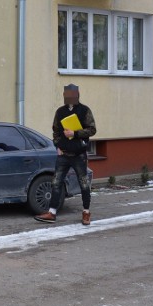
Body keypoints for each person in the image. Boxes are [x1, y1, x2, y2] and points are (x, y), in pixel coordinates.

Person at [34, 83, 96, 225]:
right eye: (66, 95)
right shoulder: (60, 111)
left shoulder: (85, 110)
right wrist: (57, 145)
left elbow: (92, 130)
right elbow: (55, 130)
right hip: (63, 154)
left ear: (77, 95)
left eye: (72, 95)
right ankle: (52, 213)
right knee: (56, 183)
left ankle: (86, 212)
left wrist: (74, 133)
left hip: (79, 154)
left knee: (84, 184)